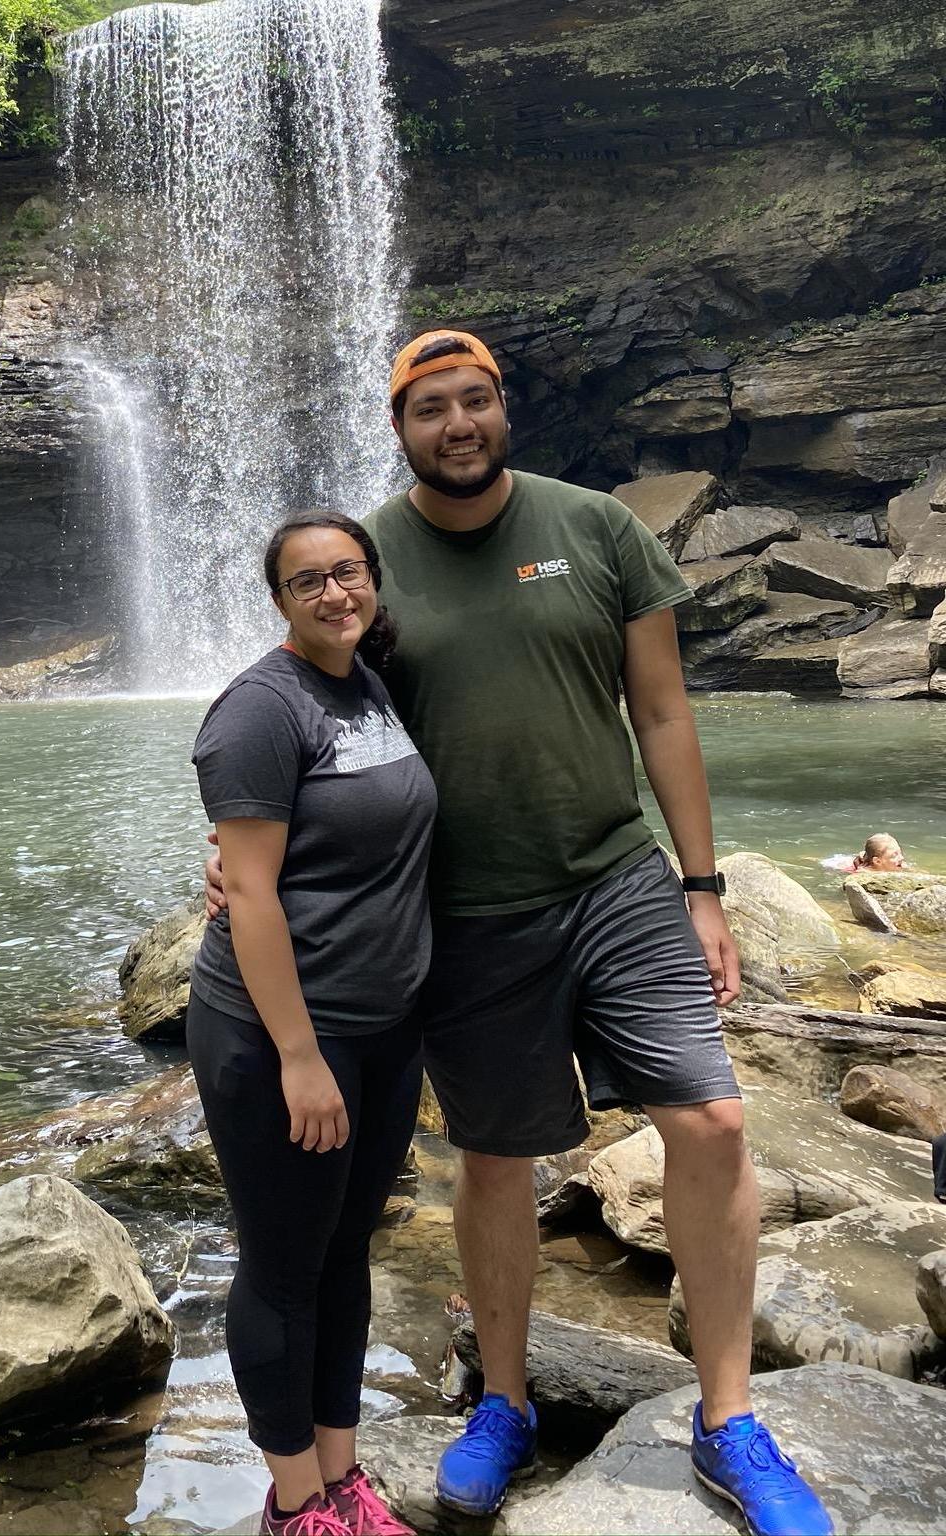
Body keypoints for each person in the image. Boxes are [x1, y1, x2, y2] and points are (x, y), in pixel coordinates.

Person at [208, 332, 832, 1536]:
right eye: (430, 407)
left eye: (476, 400)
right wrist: (237, 844)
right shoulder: (363, 558)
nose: (458, 424)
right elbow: (300, 705)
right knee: (495, 1158)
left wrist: (704, 886)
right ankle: (502, 1401)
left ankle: (730, 1417)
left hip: (616, 878)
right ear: (400, 428)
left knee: (711, 1120)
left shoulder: (598, 528)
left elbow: (662, 710)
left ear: (505, 408)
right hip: (464, 915)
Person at [189, 511, 438, 1536]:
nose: (335, 593)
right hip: (282, 1032)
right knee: (284, 1266)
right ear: (279, 600)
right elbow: (249, 893)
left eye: (349, 572)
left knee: (345, 1254)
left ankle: (342, 1479)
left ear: (373, 578)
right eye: (308, 582)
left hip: (382, 1026)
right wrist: (299, 1057)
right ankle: (295, 1505)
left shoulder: (367, 679)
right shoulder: (260, 708)